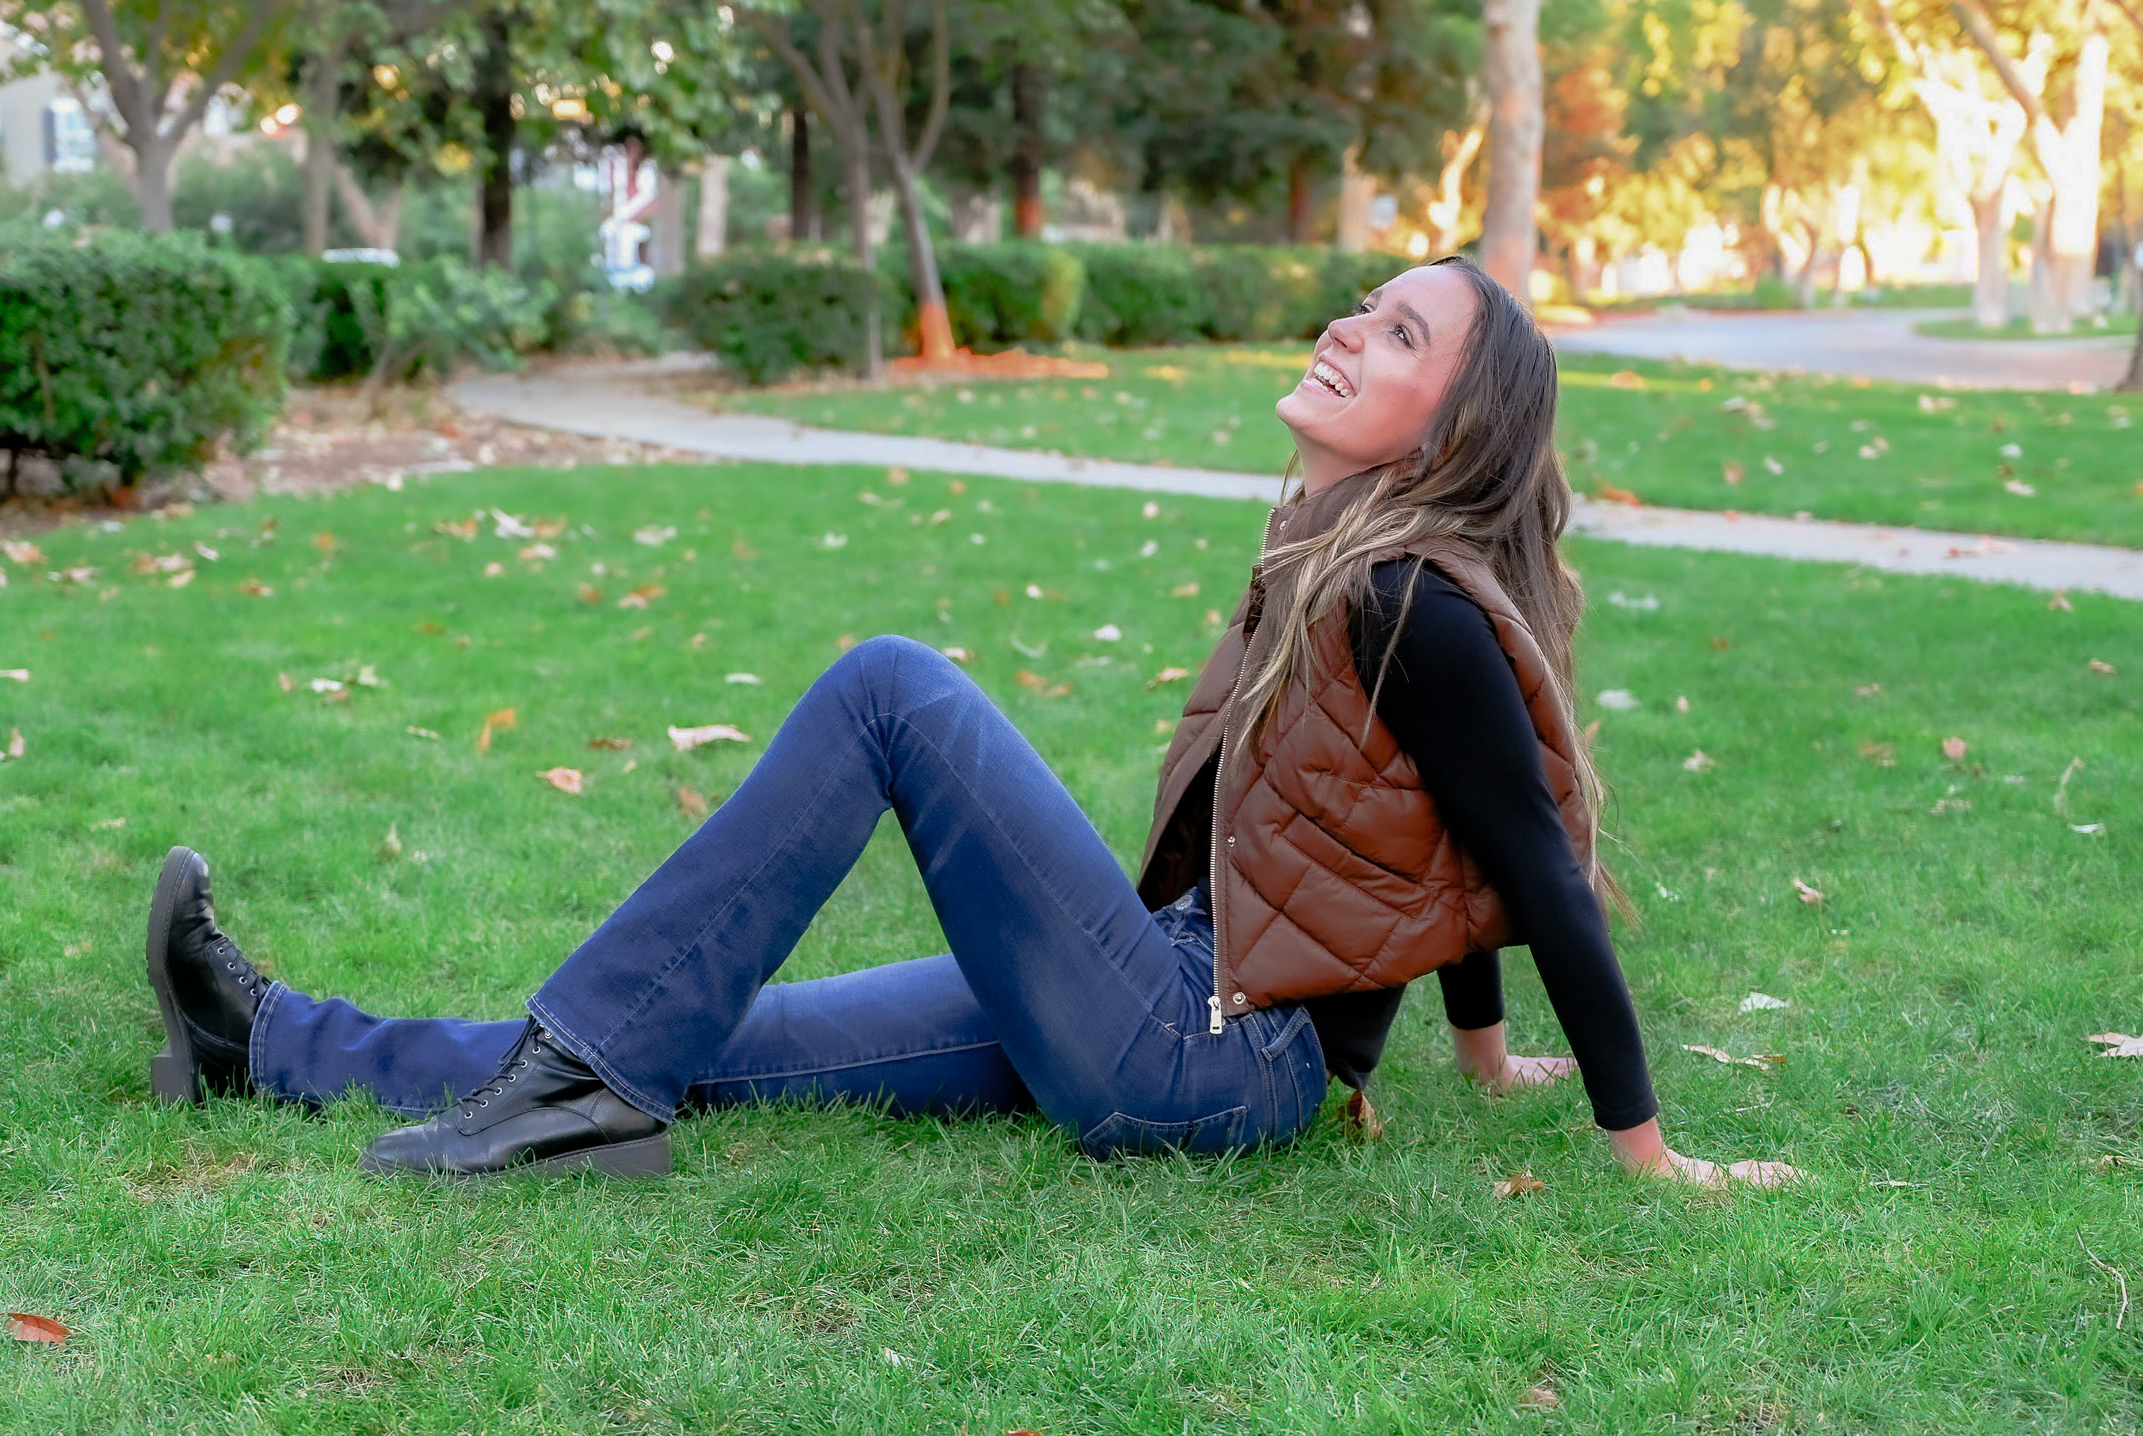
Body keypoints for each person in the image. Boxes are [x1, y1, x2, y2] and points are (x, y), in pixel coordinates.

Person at [142, 257, 1797, 1188]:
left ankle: (572, 1094)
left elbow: (1525, 865)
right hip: (1163, 996)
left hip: (1201, 1055)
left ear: (1453, 428)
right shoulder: (1335, 554)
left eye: (1399, 333)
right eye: (1365, 303)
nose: (1349, 327)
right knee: (705, 1035)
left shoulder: (1409, 600)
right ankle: (271, 1042)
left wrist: (1646, 1154)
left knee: (891, 688)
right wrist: (1471, 1057)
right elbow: (1424, 840)